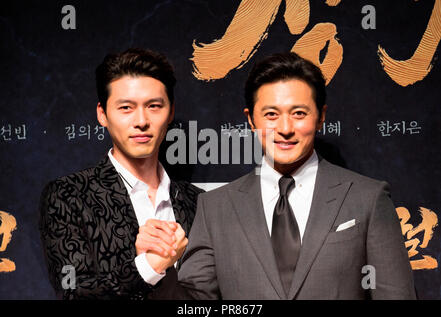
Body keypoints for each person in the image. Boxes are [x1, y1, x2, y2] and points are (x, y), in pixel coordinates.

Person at [144, 52, 416, 299]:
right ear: (251, 120)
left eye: (299, 113)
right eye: (271, 114)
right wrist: (157, 270)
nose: (285, 128)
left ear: (321, 117)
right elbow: (195, 303)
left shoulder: (367, 199)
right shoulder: (215, 208)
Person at [39, 48, 202, 299]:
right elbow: (73, 293)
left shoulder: (199, 202)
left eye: (154, 106)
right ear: (102, 114)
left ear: (170, 112)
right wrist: (151, 266)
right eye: (126, 108)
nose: (141, 121)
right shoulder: (68, 196)